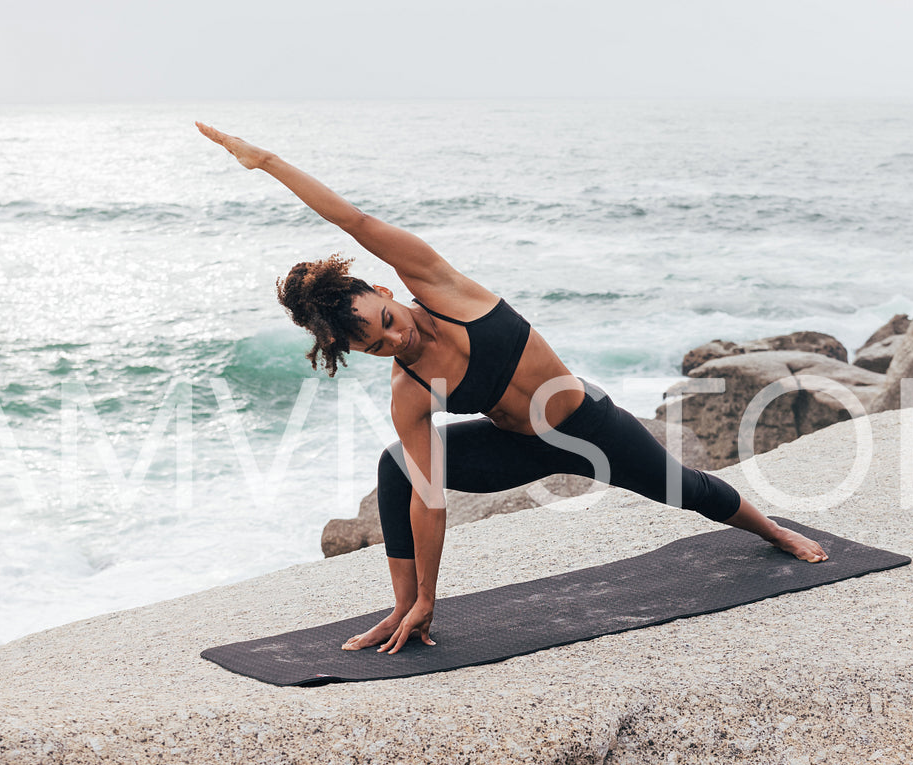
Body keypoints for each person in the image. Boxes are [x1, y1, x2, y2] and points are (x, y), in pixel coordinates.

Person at [197, 122, 829, 655]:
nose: (395, 342)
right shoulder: (409, 390)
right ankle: (402, 612)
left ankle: (773, 532)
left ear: (386, 293)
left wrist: (270, 162)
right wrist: (426, 598)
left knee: (686, 491)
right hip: (518, 447)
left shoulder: (444, 289)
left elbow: (356, 220)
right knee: (398, 468)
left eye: (386, 323)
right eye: (375, 346)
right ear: (357, 353)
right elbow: (429, 500)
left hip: (589, 429)